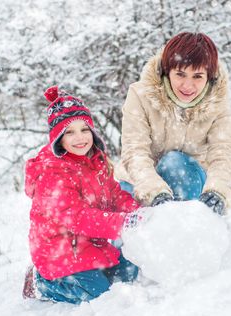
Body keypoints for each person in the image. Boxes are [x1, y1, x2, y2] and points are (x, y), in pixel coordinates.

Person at [23, 86, 143, 304]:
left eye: (84, 129)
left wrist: (138, 212)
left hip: (89, 245)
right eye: (69, 132)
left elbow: (113, 195)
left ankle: (92, 274)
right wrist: (122, 223)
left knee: (130, 273)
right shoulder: (53, 172)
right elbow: (76, 217)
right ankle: (43, 282)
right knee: (99, 297)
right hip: (58, 254)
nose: (79, 138)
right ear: (57, 138)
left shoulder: (94, 160)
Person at [115, 32, 231, 215]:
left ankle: (189, 226)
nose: (188, 85)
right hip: (139, 180)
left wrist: (217, 191)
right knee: (122, 236)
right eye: (180, 74)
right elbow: (135, 151)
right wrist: (155, 191)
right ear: (167, 71)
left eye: (197, 76)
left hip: (189, 180)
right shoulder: (140, 95)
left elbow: (223, 153)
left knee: (175, 163)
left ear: (209, 77)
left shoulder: (217, 102)